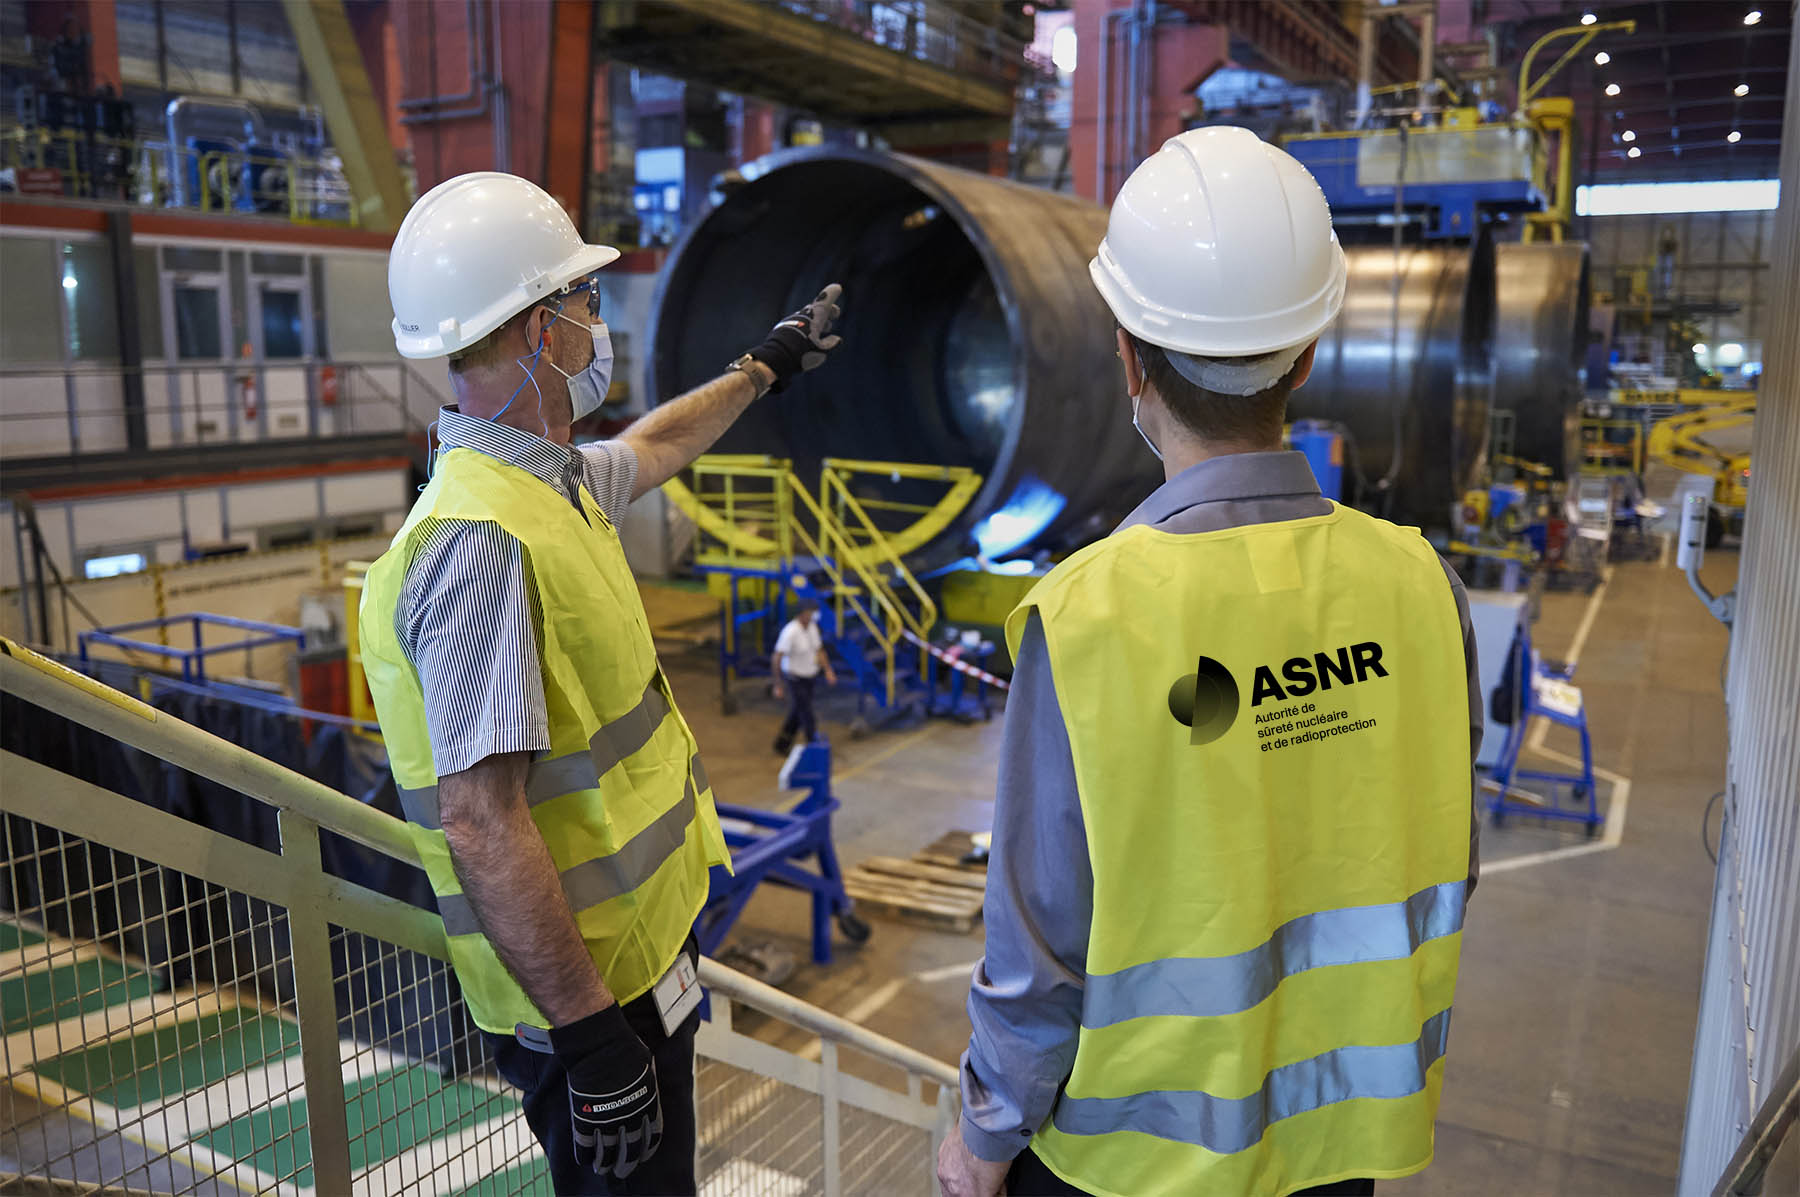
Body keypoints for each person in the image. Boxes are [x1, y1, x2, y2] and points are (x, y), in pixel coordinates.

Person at [937, 127, 1483, 1197]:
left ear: (1130, 359)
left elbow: (1040, 951)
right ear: (1307, 357)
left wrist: (984, 1136)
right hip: (1339, 1142)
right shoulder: (1423, 586)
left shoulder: (1088, 618)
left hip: (1129, 1163)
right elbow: (1446, 858)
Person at [359, 171, 844, 1195]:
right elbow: (481, 822)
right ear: (542, 331)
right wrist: (589, 1040)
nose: (596, 321)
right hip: (593, 1004)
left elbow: (658, 442)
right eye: (584, 301)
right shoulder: (480, 543)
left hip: (640, 964)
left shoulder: (553, 482)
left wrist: (762, 367)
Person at [771, 598, 837, 753]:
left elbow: (819, 650)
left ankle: (781, 744)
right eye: (811, 612)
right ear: (802, 613)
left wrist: (828, 670)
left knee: (797, 712)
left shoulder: (812, 627)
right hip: (795, 679)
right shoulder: (790, 632)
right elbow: (777, 658)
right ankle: (813, 746)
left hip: (809, 678)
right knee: (807, 714)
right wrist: (778, 684)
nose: (814, 615)